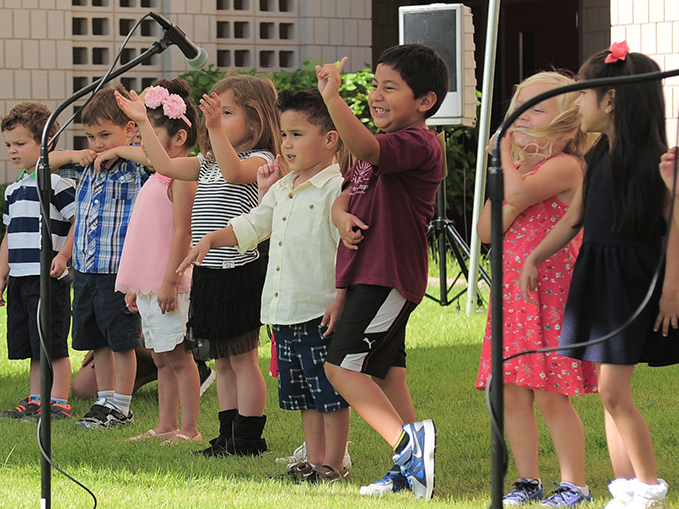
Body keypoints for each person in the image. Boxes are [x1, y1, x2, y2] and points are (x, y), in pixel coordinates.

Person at [520, 43, 679, 509]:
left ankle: (648, 485)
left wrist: (671, 291)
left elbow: (673, 230)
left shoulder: (657, 162)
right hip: (601, 279)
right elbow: (573, 220)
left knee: (612, 390)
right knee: (612, 392)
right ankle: (625, 484)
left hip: (632, 282)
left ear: (610, 99)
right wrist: (535, 256)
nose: (577, 103)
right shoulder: (598, 156)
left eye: (584, 92)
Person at [179, 88, 350, 481]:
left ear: (329, 140)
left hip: (319, 309)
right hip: (285, 310)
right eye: (285, 134)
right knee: (305, 395)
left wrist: (341, 298)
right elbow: (254, 224)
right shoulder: (285, 187)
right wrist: (209, 239)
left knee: (329, 393)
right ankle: (312, 459)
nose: (287, 144)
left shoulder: (335, 190)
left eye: (297, 134)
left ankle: (333, 465)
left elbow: (348, 255)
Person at [115, 74, 281, 456]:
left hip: (239, 268)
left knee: (242, 359)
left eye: (227, 112)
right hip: (209, 272)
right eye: (216, 112)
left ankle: (248, 437)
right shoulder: (206, 162)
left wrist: (215, 129)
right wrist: (142, 120)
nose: (216, 119)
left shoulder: (261, 160)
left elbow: (234, 173)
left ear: (254, 120)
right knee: (221, 361)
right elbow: (164, 164)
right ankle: (226, 434)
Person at [315, 45, 446, 500]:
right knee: (388, 373)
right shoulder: (379, 152)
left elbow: (366, 147)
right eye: (374, 84)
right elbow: (346, 193)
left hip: (387, 274)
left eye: (389, 87)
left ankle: (408, 445)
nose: (376, 95)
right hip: (365, 275)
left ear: (424, 101)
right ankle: (410, 468)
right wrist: (338, 215)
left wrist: (333, 99)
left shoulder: (417, 143)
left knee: (339, 366)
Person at [475, 72, 596, 506]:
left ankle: (574, 483)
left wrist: (507, 158)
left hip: (548, 295)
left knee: (550, 394)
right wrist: (514, 172)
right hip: (514, 298)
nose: (520, 120)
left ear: (566, 122)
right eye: (517, 111)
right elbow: (488, 230)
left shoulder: (564, 166)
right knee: (511, 390)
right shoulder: (521, 171)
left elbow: (521, 192)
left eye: (535, 110)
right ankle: (527, 480)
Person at [107, 79, 202, 444]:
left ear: (177, 139)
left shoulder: (180, 179)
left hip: (169, 283)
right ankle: (165, 425)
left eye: (148, 133)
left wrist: (166, 283)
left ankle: (189, 428)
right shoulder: (157, 174)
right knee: (161, 358)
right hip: (150, 285)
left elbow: (181, 232)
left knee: (178, 357)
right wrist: (137, 287)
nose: (141, 142)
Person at [53, 87, 149, 430]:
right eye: (91, 136)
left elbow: (155, 158)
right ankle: (105, 399)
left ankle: (122, 406)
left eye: (105, 134)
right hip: (86, 269)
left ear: (130, 130)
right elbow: (40, 167)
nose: (98, 143)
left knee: (121, 340)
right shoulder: (89, 168)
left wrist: (123, 149)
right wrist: (75, 154)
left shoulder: (135, 168)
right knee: (97, 340)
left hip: (117, 271)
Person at [0, 102, 91, 421]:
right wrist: (0, 277)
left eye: (20, 143)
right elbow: (9, 235)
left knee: (52, 342)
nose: (12, 151)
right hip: (20, 279)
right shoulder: (13, 190)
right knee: (33, 344)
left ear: (46, 143)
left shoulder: (58, 186)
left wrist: (63, 255)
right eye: (8, 145)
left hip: (47, 279)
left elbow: (80, 222)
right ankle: (37, 400)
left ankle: (58, 401)